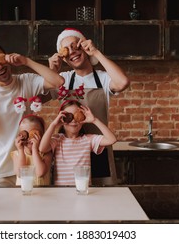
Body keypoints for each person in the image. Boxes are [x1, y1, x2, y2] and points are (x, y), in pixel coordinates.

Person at [0, 39, 64, 186]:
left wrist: (26, 61)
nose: (0, 66)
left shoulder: (26, 81)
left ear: (7, 57)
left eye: (0, 59)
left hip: (31, 166)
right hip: (0, 171)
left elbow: (58, 82)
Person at [47, 28, 130, 185]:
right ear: (64, 58)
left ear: (84, 46)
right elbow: (37, 96)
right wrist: (52, 71)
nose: (72, 52)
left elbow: (123, 82)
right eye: (67, 50)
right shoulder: (62, 80)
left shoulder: (103, 79)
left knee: (101, 199)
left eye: (75, 46)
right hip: (70, 154)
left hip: (99, 147)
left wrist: (96, 53)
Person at [39, 100, 117, 185]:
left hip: (83, 189)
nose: (73, 121)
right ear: (62, 119)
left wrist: (94, 120)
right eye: (68, 117)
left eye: (76, 116)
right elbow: (42, 148)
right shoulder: (57, 140)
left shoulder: (88, 140)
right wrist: (53, 125)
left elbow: (112, 140)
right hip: (61, 191)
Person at [11, 114, 52, 186]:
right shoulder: (16, 154)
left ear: (42, 136)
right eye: (24, 135)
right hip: (23, 194)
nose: (28, 138)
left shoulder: (46, 153)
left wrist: (35, 149)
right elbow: (20, 173)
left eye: (34, 135)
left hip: (43, 194)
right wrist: (20, 150)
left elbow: (40, 173)